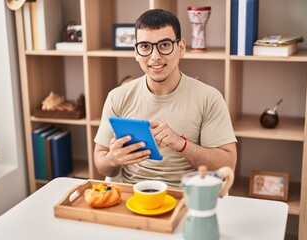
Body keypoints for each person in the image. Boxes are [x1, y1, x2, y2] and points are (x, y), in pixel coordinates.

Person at [94, 9, 237, 188]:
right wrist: (113, 159)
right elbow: (101, 165)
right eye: (145, 46)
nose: (155, 57)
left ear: (181, 48)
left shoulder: (209, 98)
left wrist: (181, 144)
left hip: (187, 196)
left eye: (164, 45)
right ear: (136, 52)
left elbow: (228, 165)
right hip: (133, 194)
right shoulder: (117, 97)